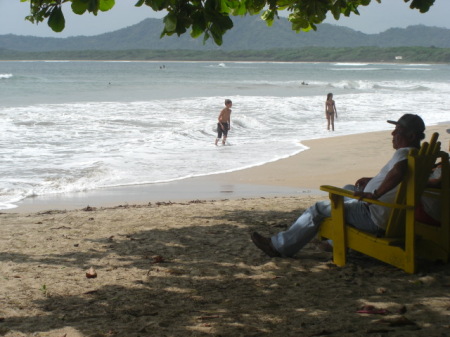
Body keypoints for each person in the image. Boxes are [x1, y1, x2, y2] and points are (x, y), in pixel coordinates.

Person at [251, 113, 426, 258]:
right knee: (348, 188)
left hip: (374, 215)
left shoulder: (405, 154)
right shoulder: (418, 157)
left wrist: (376, 194)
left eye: (398, 131)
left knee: (318, 209)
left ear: (411, 136)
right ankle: (333, 242)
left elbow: (399, 172)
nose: (392, 134)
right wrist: (373, 180)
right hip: (389, 212)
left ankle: (278, 246)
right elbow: (400, 178)